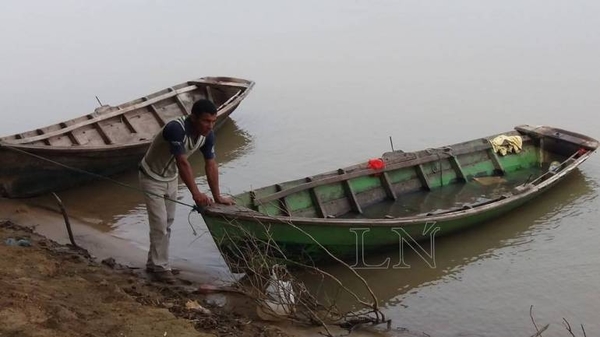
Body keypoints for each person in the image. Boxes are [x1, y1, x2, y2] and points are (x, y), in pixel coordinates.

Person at [139, 99, 234, 283]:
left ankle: (155, 263)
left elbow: (211, 164)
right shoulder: (176, 129)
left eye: (213, 121)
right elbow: (182, 162)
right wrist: (196, 193)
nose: (210, 125)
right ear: (193, 118)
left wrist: (217, 197)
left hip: (170, 178)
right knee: (159, 223)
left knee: (167, 222)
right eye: (206, 121)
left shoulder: (208, 135)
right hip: (151, 177)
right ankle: (161, 267)